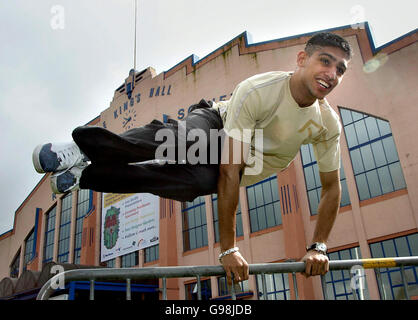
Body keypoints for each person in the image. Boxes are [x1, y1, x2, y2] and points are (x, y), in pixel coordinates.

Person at [32, 32, 352, 285]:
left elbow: (331, 188)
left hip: (241, 164)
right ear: (302, 59)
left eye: (340, 69)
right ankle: (82, 148)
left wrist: (319, 246)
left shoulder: (327, 124)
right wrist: (228, 248)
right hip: (217, 125)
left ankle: (82, 177)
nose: (332, 74)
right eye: (325, 61)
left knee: (187, 183)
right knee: (180, 142)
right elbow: (229, 168)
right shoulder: (260, 90)